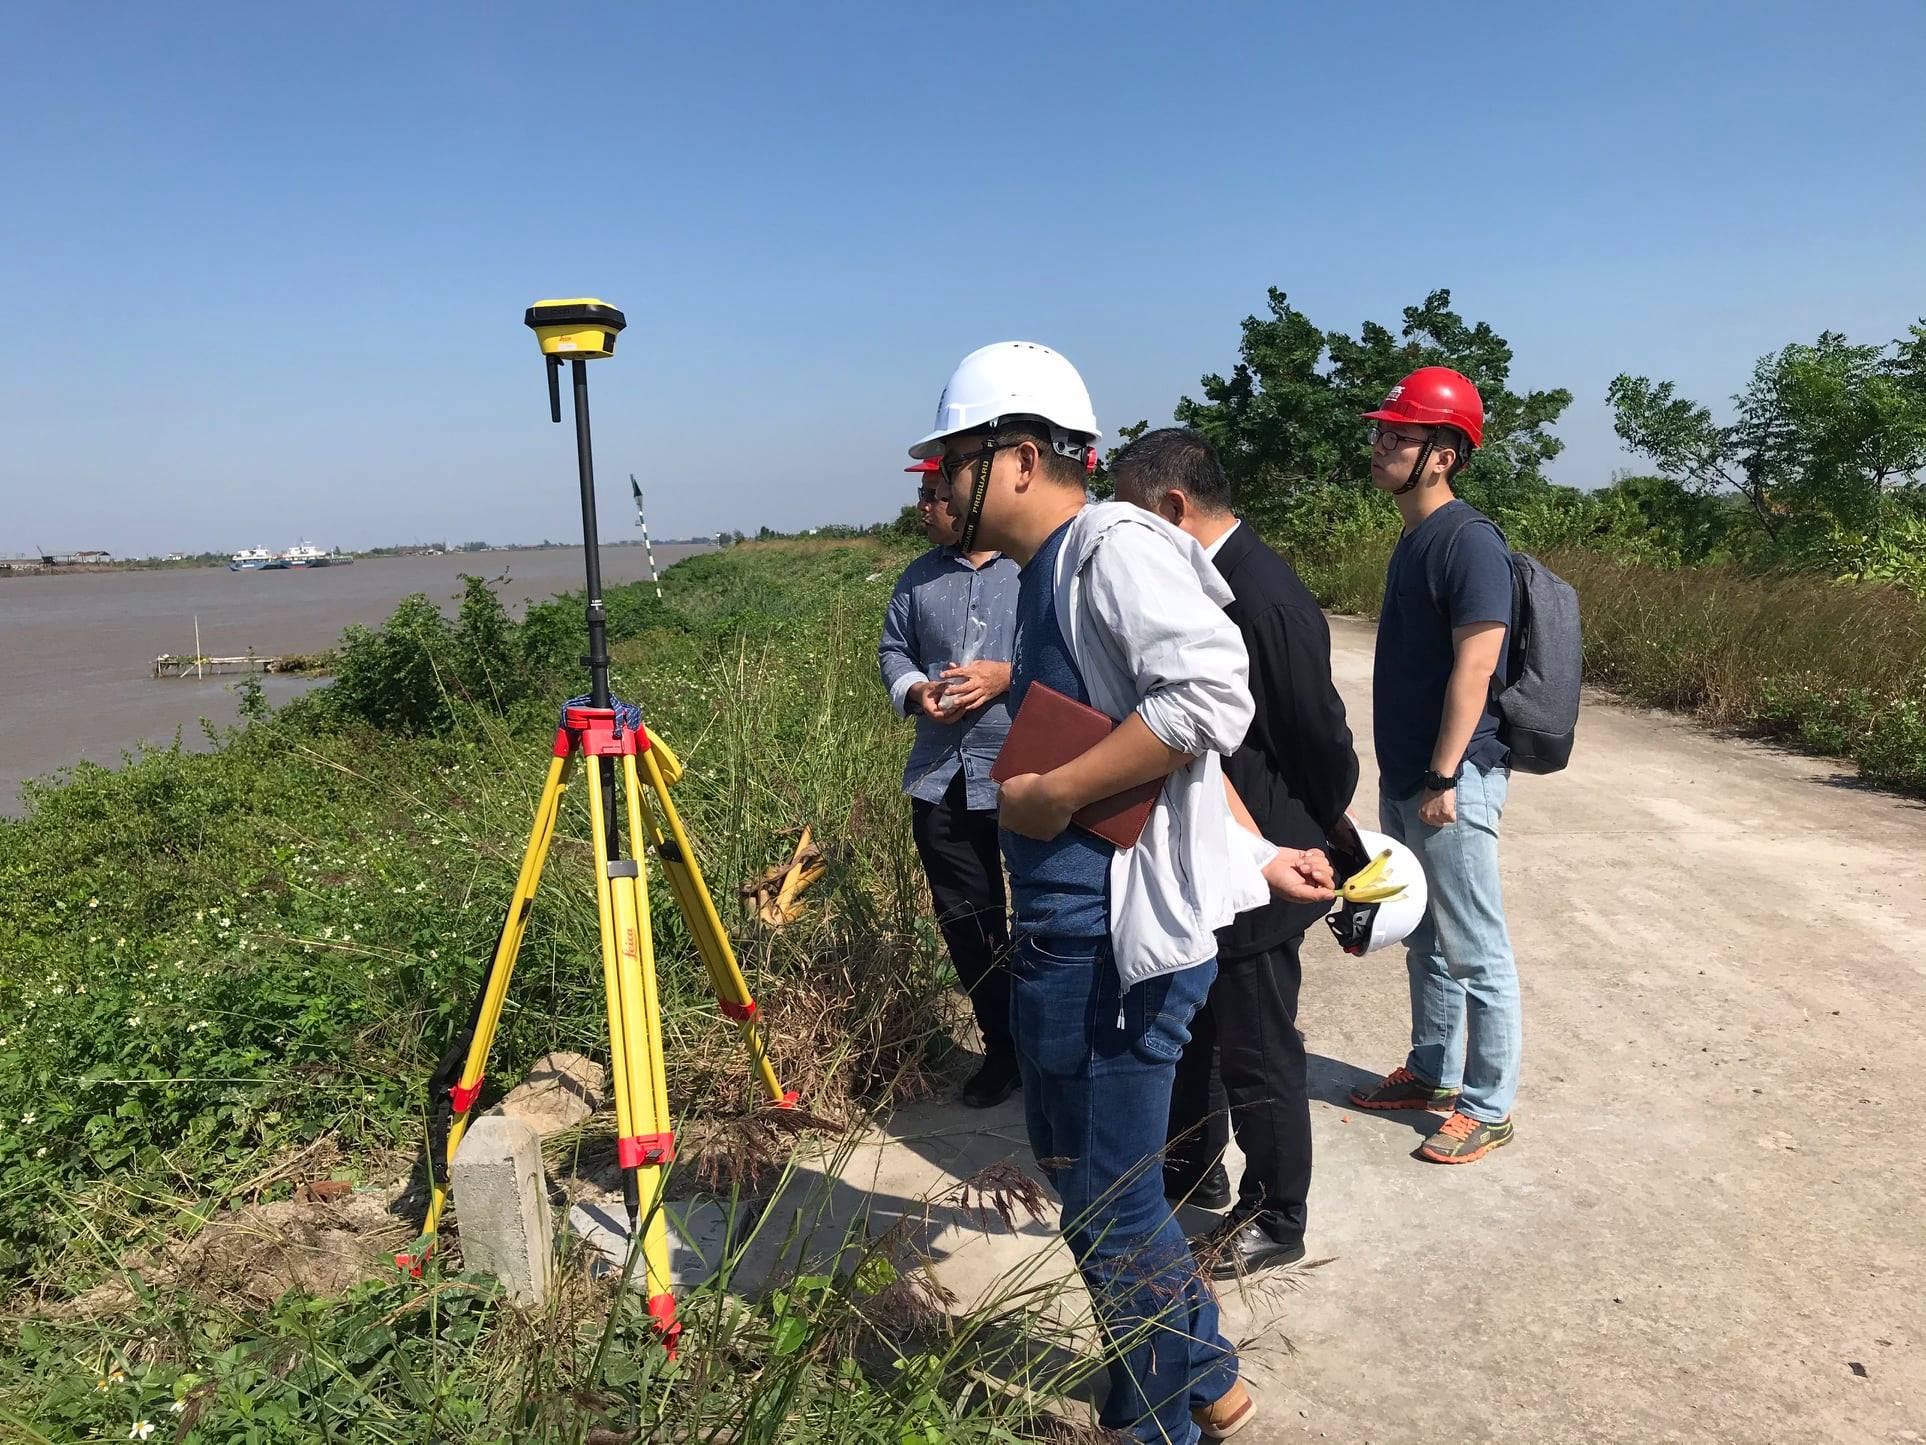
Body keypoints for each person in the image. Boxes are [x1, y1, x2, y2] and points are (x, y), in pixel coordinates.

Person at [911, 341, 1334, 1444]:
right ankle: (1207, 1376)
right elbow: (1178, 753)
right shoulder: (1048, 570)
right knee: (1080, 1172)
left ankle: (1158, 1421)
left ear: (1017, 454)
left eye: (952, 459)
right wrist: (1248, 851)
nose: (940, 485)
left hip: (1109, 943)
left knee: (1109, 1198)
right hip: (1067, 934)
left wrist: (1052, 791)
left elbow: (1210, 693)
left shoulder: (1108, 543)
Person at [1110, 428, 1359, 1277]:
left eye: (1133, 510)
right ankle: (1192, 1164)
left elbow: (1320, 735)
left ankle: (1277, 1211)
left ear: (1174, 507)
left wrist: (1321, 831)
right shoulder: (1200, 581)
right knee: (1202, 1024)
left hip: (1269, 843)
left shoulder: (1262, 593)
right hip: (1220, 840)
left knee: (1256, 1038)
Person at [1347, 367, 1521, 1165]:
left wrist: (1445, 776)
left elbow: (1475, 666)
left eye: (1400, 434)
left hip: (1451, 777)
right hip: (1411, 773)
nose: (1381, 443)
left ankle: (1487, 1104)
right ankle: (1431, 1071)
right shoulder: (1414, 536)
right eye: (1383, 431)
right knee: (1424, 935)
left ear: (1445, 454)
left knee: (1476, 943)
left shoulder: (1469, 540)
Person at [877, 458, 1022, 1108]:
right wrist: (914, 691)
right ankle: (1005, 1048)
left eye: (934, 496)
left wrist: (1003, 675)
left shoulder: (1031, 569)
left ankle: (1054, 1047)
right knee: (968, 920)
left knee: (1047, 914)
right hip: (941, 778)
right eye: (922, 495)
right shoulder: (916, 579)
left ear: (970, 499)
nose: (924, 507)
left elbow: (1070, 647)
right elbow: (892, 651)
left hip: (1023, 772)